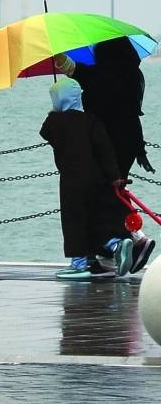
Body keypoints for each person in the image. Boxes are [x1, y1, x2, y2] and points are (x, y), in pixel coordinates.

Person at [55, 38, 155, 273]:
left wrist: (57, 53)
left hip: (105, 145)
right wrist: (140, 150)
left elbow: (70, 67)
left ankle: (131, 240)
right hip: (129, 143)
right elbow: (133, 116)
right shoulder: (131, 75)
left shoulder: (97, 74)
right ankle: (116, 247)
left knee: (101, 195)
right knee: (116, 192)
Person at [39, 77, 133, 280]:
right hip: (96, 178)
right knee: (96, 217)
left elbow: (44, 132)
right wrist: (115, 177)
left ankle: (79, 264)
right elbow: (105, 150)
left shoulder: (55, 122)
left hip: (72, 180)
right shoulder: (92, 120)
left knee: (75, 220)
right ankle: (115, 243)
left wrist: (55, 112)